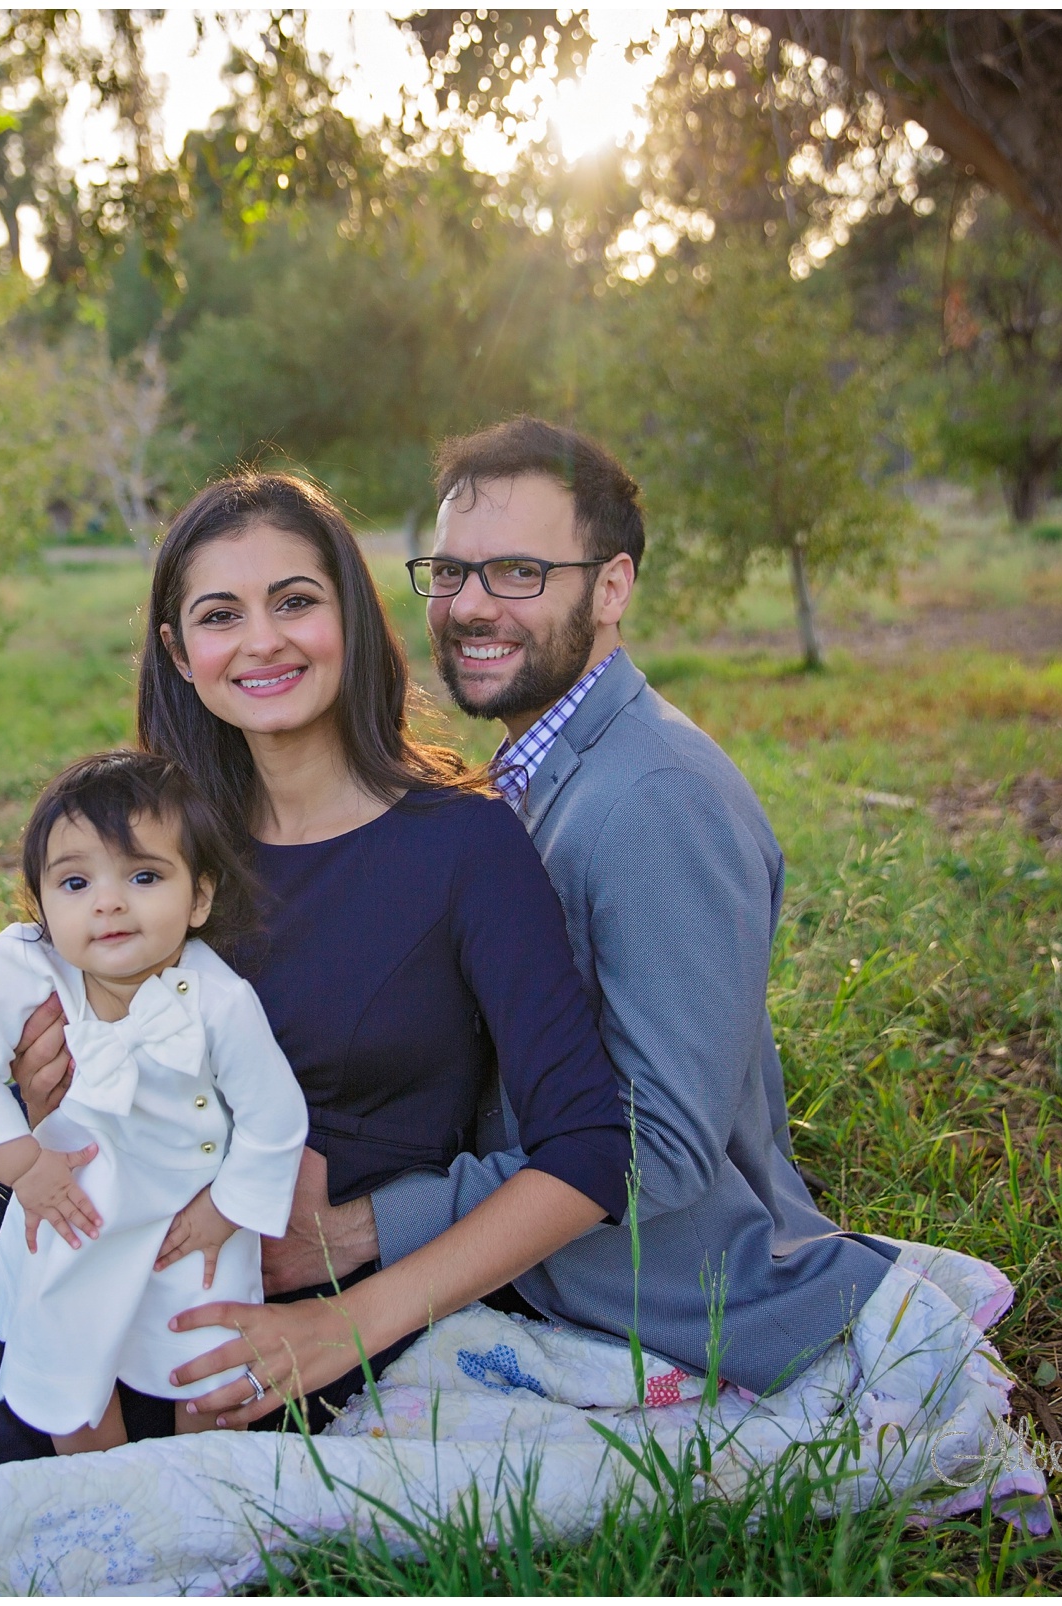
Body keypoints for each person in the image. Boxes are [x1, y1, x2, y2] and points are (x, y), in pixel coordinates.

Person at [0, 471, 631, 1467]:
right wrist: (52, 1058)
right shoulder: (179, 829)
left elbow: (589, 1150)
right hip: (79, 1200)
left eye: (295, 600)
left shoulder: (463, 844)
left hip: (244, 1297)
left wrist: (349, 1325)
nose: (262, 640)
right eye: (220, 614)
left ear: (351, 614)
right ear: (179, 650)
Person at [262, 416, 899, 1397]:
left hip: (643, 1296)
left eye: (520, 572)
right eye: (451, 571)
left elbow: (660, 1153)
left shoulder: (656, 798)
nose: (472, 606)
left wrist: (367, 1230)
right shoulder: (527, 773)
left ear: (611, 587)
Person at [0, 751, 307, 1454]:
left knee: (208, 1352)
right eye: (75, 881)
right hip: (75, 1201)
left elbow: (274, 1118)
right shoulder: (26, 966)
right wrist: (24, 1167)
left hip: (188, 1217)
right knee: (67, 1352)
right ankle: (97, 1485)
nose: (108, 902)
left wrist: (227, 1209)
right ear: (40, 902)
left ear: (198, 898)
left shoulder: (220, 1001)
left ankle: (203, 1471)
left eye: (143, 876)